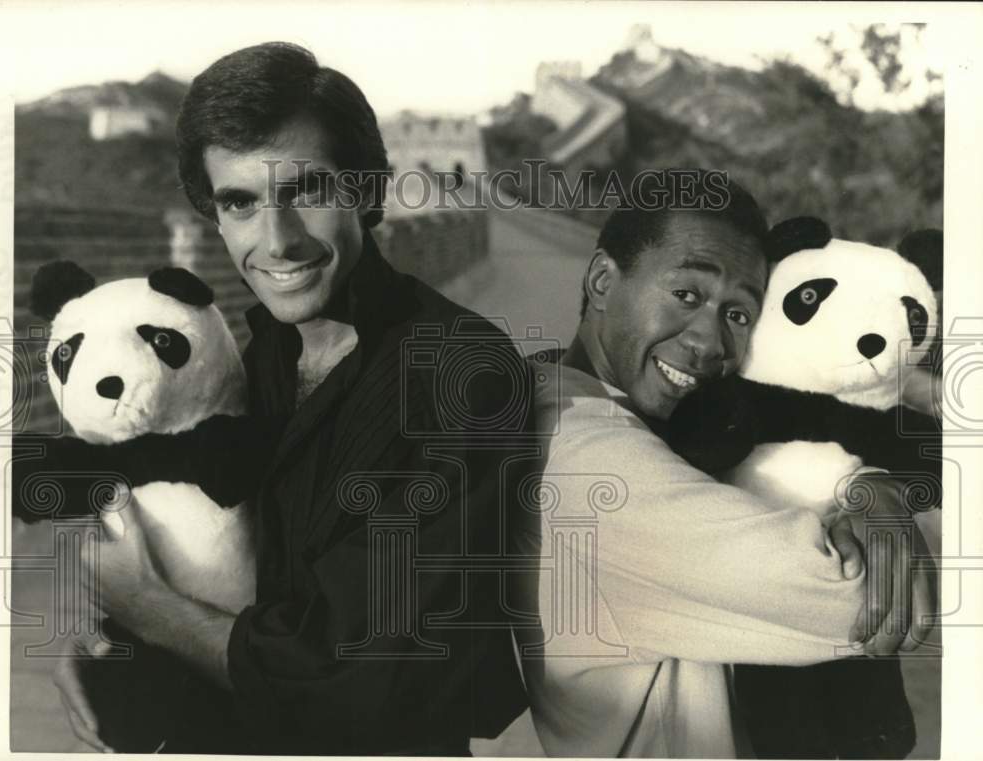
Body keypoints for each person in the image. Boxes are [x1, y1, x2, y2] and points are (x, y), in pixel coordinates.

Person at [52, 41, 532, 754]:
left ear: (369, 190)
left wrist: (147, 607)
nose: (277, 241)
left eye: (306, 191)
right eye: (240, 203)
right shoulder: (263, 354)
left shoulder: (463, 372)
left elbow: (364, 675)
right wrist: (97, 653)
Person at [510, 180, 936, 758]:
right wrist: (869, 506)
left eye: (738, 313)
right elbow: (864, 600)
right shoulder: (592, 463)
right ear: (603, 281)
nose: (712, 340)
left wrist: (868, 485)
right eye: (687, 293)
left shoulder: (558, 397)